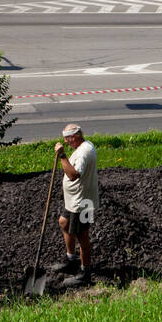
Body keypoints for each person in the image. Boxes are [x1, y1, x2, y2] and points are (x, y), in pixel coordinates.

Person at [52, 123, 98, 287]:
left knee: (82, 236)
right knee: (64, 222)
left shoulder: (84, 153)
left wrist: (63, 156)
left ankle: (85, 273)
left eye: (68, 138)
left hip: (83, 202)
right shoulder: (84, 147)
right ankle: (71, 260)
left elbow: (73, 175)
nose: (65, 141)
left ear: (76, 135)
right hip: (74, 200)